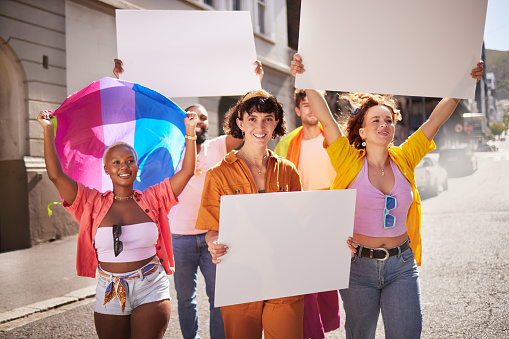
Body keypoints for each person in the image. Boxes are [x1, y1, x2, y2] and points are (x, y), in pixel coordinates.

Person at [290, 53, 484, 338]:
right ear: (362, 130)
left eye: (389, 120)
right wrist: (306, 79)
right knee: (361, 335)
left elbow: (435, 120)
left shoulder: (405, 157)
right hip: (358, 269)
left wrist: (463, 84)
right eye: (376, 120)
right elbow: (328, 121)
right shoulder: (347, 159)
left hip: (402, 265)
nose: (384, 125)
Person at [113, 59, 264, 339]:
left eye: (204, 117)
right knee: (185, 300)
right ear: (182, 120)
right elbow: (135, 123)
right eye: (192, 115)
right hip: (178, 238)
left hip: (214, 236)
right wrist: (123, 81)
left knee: (219, 298)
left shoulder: (219, 145)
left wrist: (253, 87)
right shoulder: (167, 150)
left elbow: (247, 126)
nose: (199, 120)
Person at [37, 109, 198, 338]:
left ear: (137, 167)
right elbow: (56, 176)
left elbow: (187, 171)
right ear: (106, 169)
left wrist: (190, 131)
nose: (124, 166)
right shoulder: (90, 202)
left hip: (150, 285)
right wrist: (47, 131)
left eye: (130, 161)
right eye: (116, 162)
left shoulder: (154, 198)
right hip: (109, 289)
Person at [195, 90, 304, 339]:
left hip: (283, 277)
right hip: (240, 276)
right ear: (240, 123)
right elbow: (212, 229)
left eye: (268, 118)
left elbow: (300, 225)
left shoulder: (288, 171)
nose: (260, 126)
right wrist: (213, 244)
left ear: (276, 123)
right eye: (252, 119)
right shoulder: (217, 174)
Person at [274, 89, 340, 338]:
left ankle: (324, 326)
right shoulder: (287, 143)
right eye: (306, 105)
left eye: (316, 104)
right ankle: (315, 332)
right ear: (298, 110)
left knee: (329, 279)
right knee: (305, 283)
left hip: (332, 217)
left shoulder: (335, 139)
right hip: (299, 219)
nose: (312, 109)